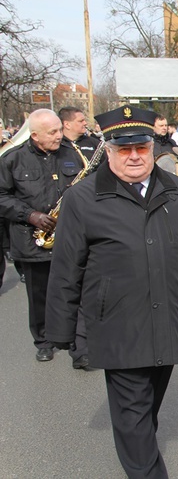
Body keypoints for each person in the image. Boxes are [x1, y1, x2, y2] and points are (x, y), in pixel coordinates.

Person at [45, 105, 178, 478]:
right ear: (108, 150)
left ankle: (140, 451)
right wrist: (60, 331)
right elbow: (66, 271)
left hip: (168, 319)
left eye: (140, 148)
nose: (133, 157)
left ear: (151, 148)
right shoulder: (83, 199)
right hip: (117, 325)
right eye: (123, 149)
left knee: (145, 410)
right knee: (132, 416)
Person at [0, 109, 86, 365]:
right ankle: (44, 340)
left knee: (76, 289)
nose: (60, 135)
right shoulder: (12, 160)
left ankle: (78, 344)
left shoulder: (71, 154)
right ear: (35, 135)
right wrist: (30, 215)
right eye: (53, 132)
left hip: (70, 237)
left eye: (60, 129)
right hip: (33, 238)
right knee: (40, 295)